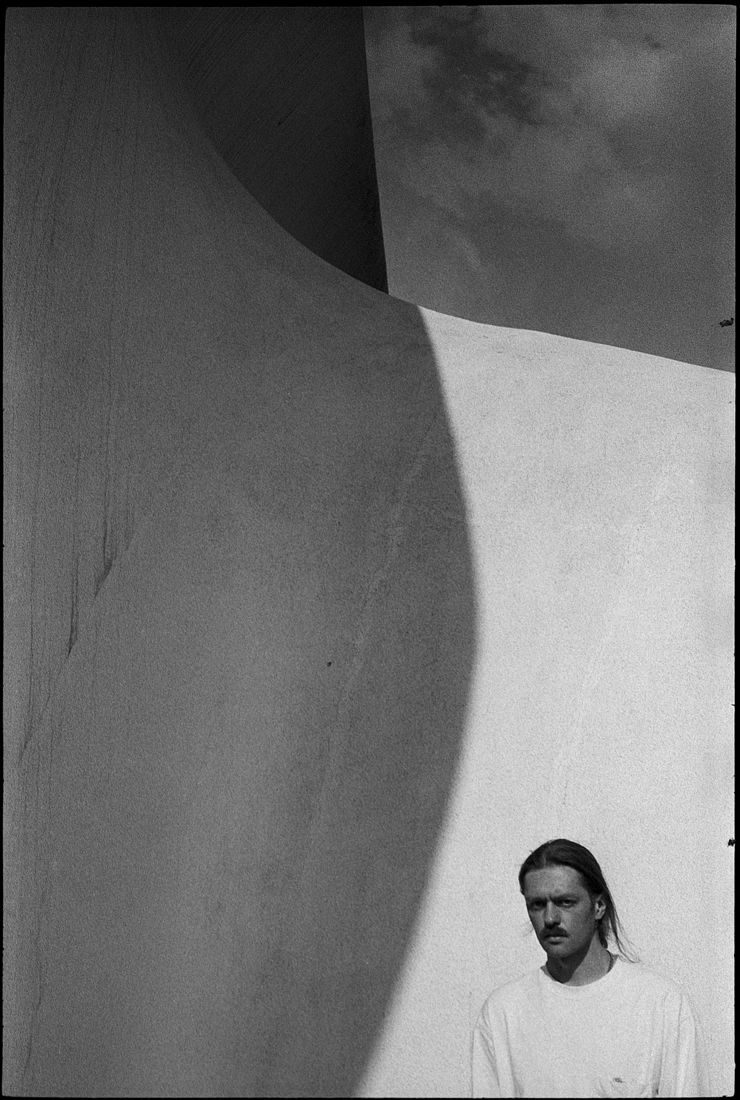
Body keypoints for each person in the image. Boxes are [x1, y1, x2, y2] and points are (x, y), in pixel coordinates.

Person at [472, 839, 709, 1098]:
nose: (550, 918)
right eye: (537, 905)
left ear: (598, 906)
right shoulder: (502, 1013)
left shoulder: (661, 1005)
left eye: (565, 902)